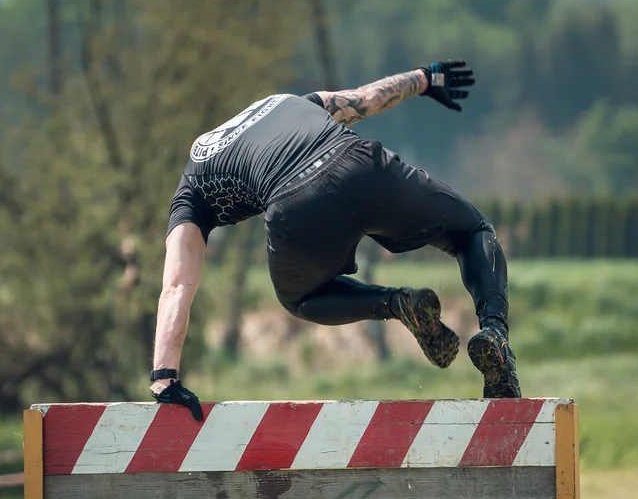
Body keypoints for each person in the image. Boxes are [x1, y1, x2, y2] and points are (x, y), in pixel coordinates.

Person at [149, 59, 520, 420]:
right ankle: (495, 333)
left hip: (296, 206)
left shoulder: (192, 185)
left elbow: (177, 286)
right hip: (360, 165)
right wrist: (425, 78)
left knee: (302, 298)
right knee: (471, 230)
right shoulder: (285, 103)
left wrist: (165, 378)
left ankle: (397, 303)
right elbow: (367, 98)